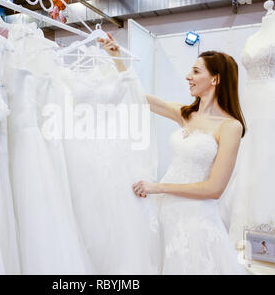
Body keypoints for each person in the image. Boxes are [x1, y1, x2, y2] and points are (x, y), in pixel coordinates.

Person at [98, 33, 247, 274]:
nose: (188, 76)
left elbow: (214, 188)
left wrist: (159, 187)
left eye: (196, 71)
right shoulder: (186, 114)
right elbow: (138, 97)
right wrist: (117, 58)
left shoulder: (230, 127)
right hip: (165, 213)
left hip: (194, 220)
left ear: (215, 79)